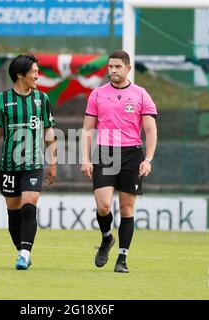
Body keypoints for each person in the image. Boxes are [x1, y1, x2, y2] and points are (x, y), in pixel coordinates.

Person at [81, 50, 158, 273]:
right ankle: (106, 239)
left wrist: (149, 159)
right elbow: (87, 129)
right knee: (103, 205)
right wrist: (85, 159)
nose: (112, 70)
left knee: (127, 209)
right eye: (110, 67)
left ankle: (122, 259)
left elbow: (150, 131)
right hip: (105, 152)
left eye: (117, 67)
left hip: (132, 154)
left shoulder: (141, 94)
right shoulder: (97, 94)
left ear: (127, 68)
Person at [0, 54, 57, 270]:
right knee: (13, 213)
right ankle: (21, 250)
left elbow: (49, 131)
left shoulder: (42, 99)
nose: (37, 75)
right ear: (20, 75)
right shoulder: (2, 99)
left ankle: (25, 252)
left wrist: (52, 163)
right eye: (34, 71)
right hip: (9, 165)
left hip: (33, 164)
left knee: (29, 205)